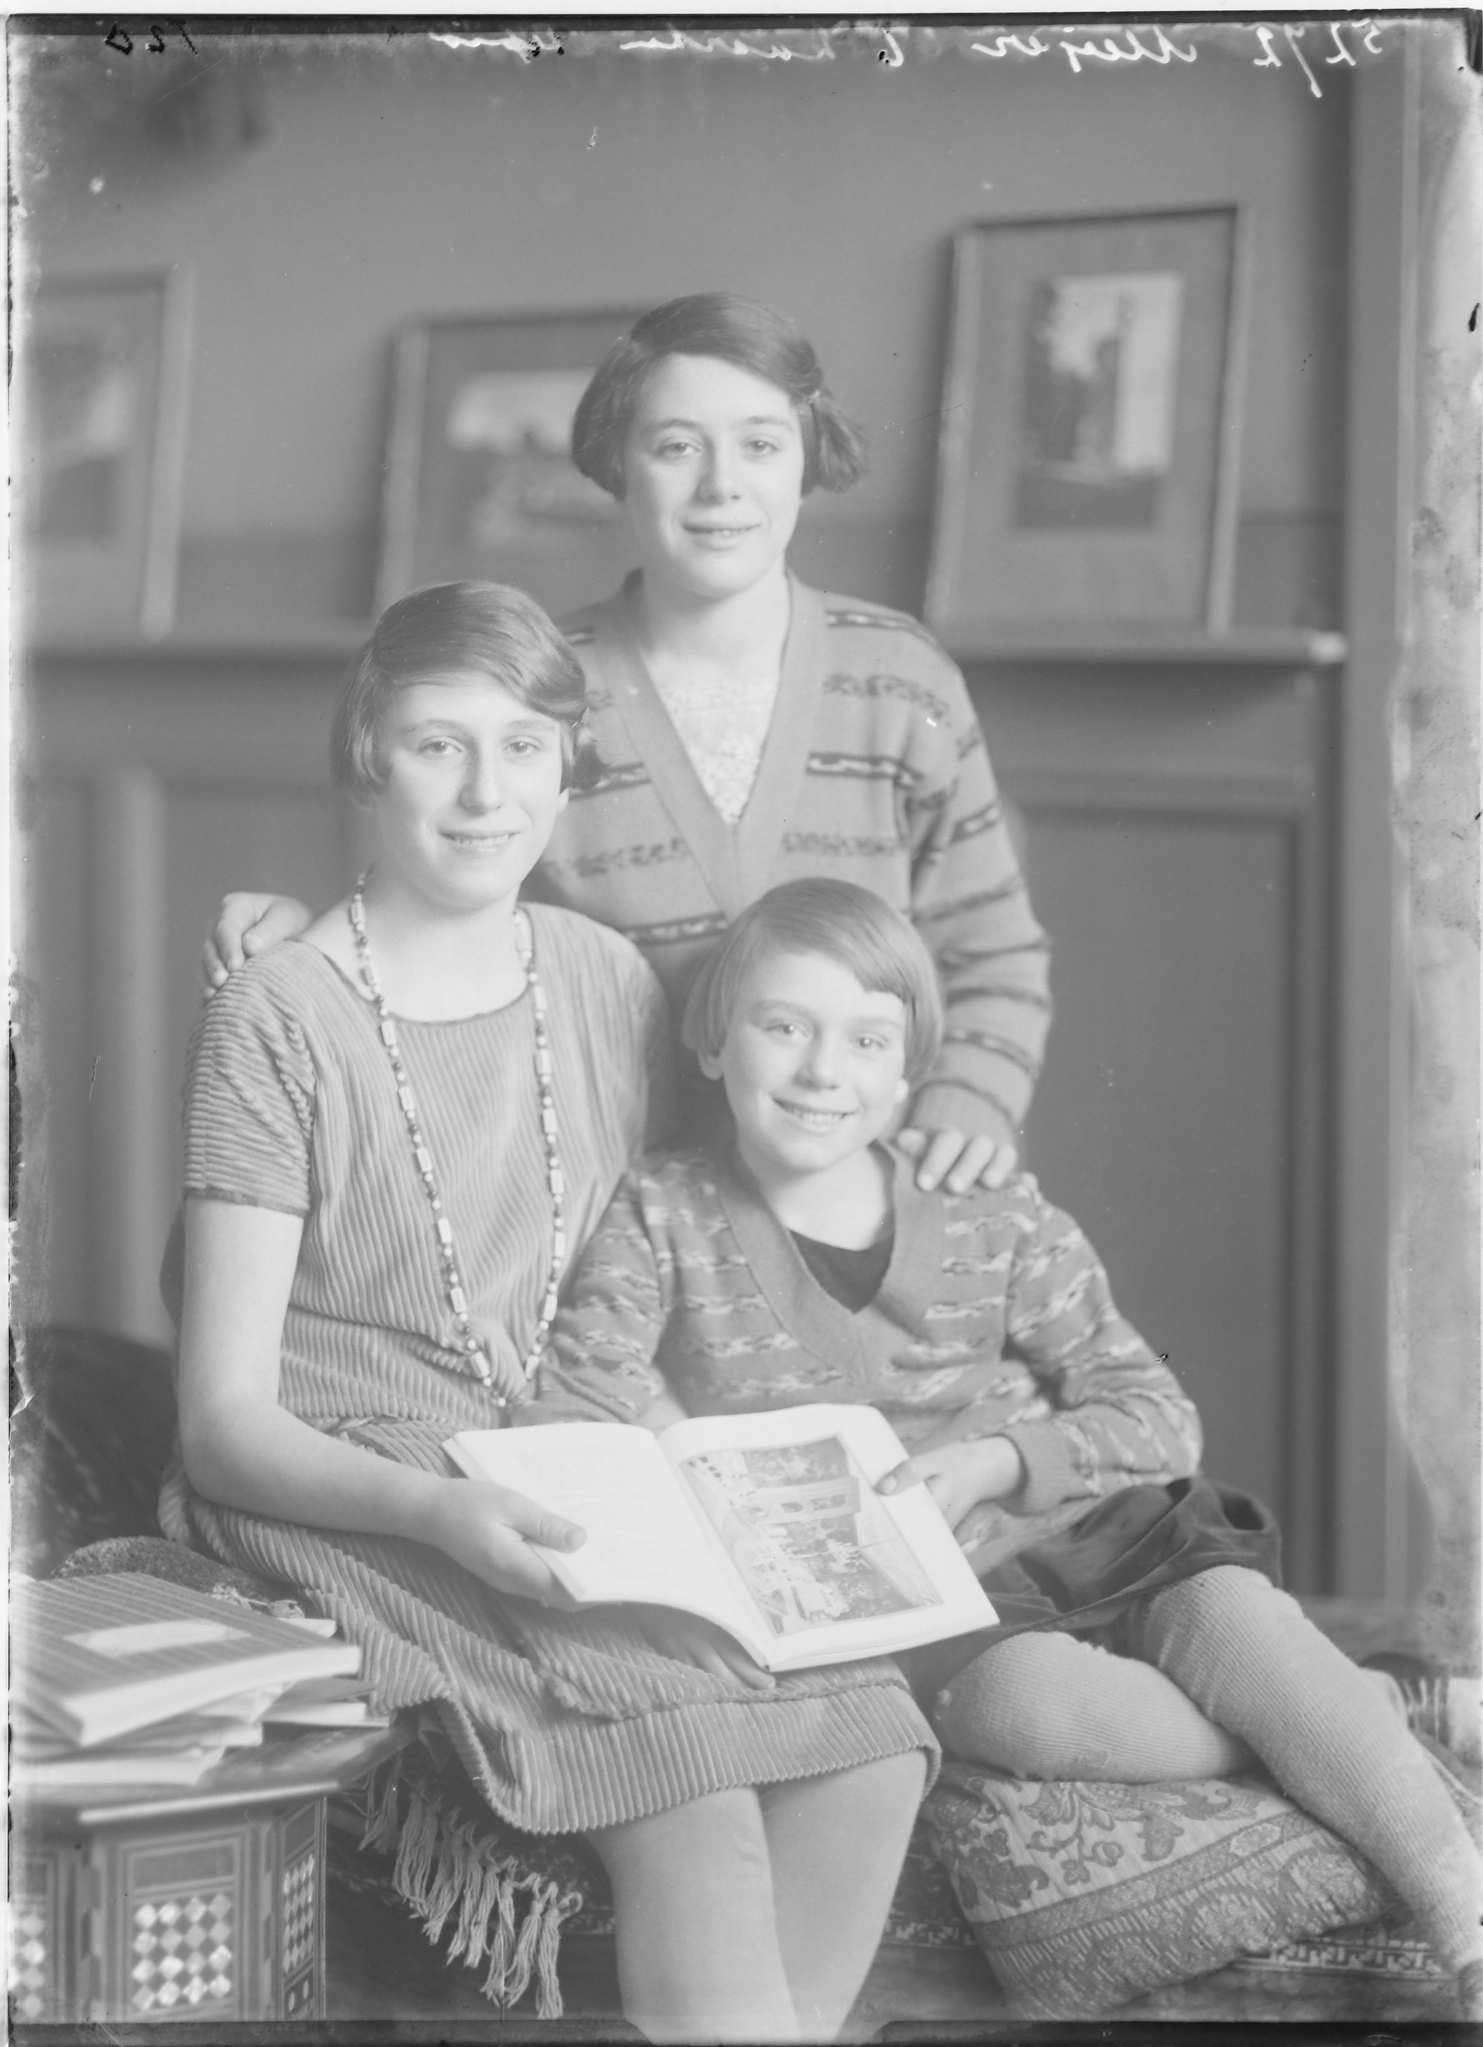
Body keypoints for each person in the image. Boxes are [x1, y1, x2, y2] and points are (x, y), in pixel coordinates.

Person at [164, 586, 935, 2045]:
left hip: (578, 1450)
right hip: (362, 1481)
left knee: (874, 1742)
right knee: (691, 1794)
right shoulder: (276, 1014)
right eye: (436, 744)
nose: (485, 790)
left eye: (523, 745)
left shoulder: (600, 975)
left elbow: (709, 1216)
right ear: (366, 756)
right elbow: (221, 1422)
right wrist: (440, 1511)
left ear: (568, 767)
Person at [518, 878, 1483, 2019]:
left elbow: (1156, 1414)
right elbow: (574, 1402)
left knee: (1234, 1621)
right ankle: (1343, 1710)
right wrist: (664, 1435)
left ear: (908, 1068)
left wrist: (997, 1461)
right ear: (712, 1040)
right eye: (783, 1026)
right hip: (938, 1601)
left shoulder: (990, 1213)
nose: (822, 1070)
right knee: (1020, 1713)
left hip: (1103, 1531)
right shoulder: (664, 1210)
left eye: (865, 1039)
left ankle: (1462, 1913)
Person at [201, 293, 1049, 1197]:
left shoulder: (900, 676)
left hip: (859, 1188)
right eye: (676, 446)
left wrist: (968, 1100)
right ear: (617, 465)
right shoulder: (540, 692)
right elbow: (439, 908)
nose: (721, 485)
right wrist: (307, 937)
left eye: (760, 445)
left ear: (807, 458)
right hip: (612, 1205)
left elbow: (990, 946)